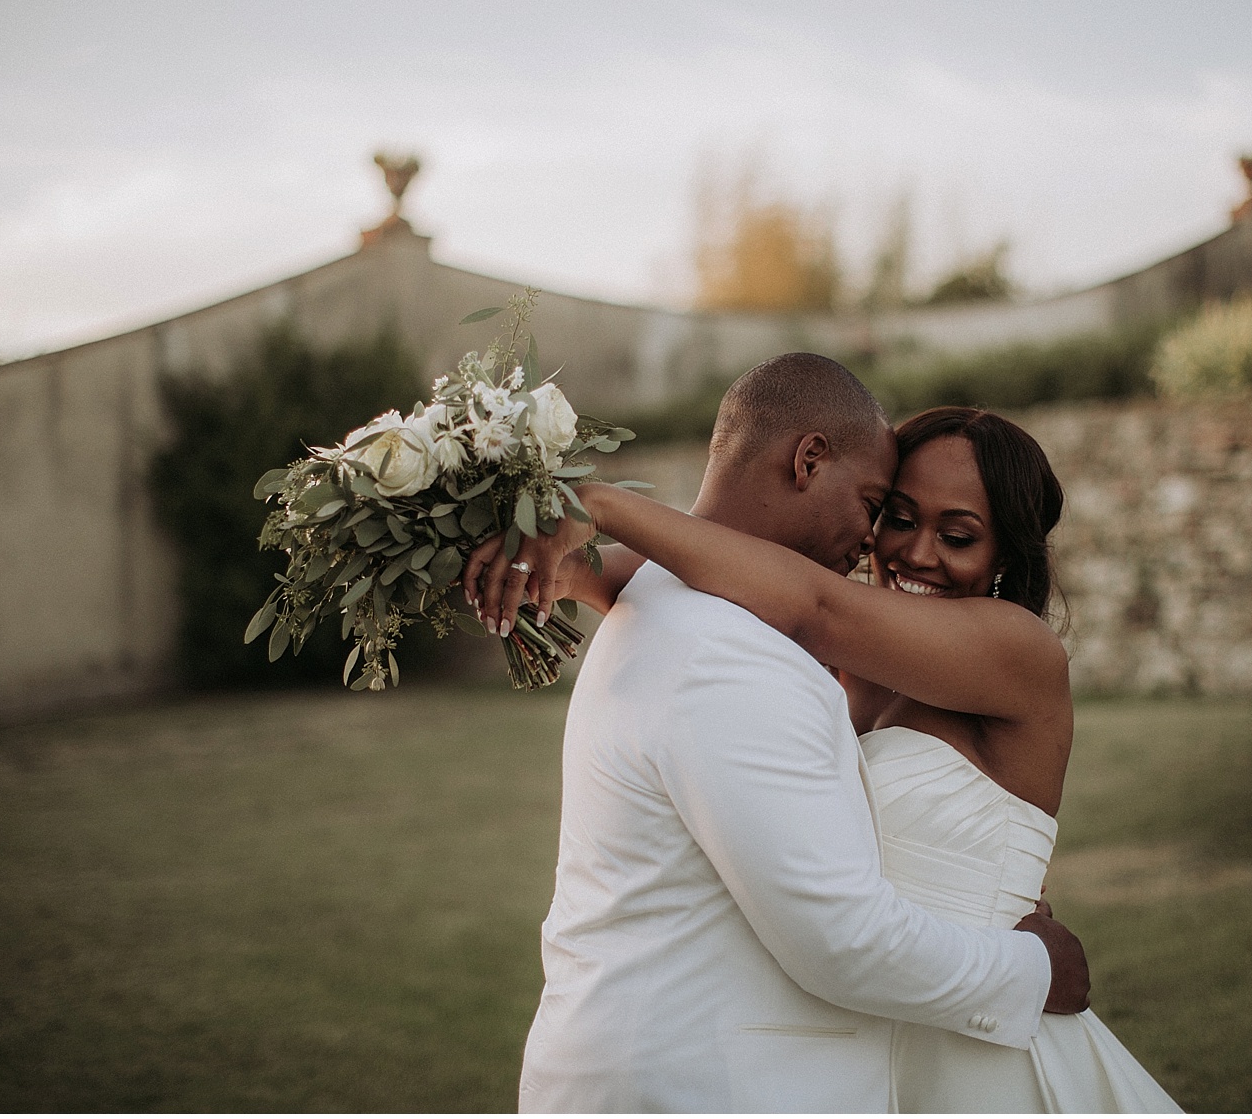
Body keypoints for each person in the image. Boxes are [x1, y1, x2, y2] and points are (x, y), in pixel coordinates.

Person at [469, 364, 1182, 1113]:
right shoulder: (861, 656)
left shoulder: (1016, 650)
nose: (914, 552)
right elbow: (664, 578)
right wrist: (531, 551)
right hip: (876, 1040)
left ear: (1006, 556)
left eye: (959, 534)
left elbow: (812, 603)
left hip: (986, 1031)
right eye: (895, 514)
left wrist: (600, 502)